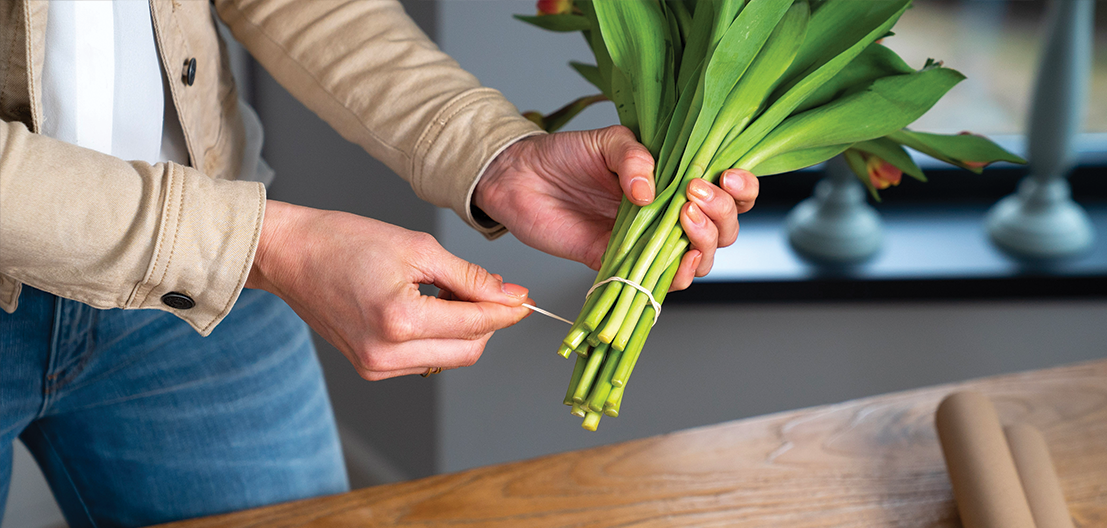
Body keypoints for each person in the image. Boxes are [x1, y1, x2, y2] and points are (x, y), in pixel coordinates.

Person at [0, 1, 758, 526]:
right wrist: (265, 246)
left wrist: (494, 156)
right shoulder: (252, 243)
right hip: (226, 251)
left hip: (202, 291)